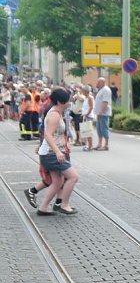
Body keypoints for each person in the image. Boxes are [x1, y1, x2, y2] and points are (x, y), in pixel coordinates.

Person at [36, 88, 79, 216]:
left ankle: (43, 207)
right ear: (60, 102)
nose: (69, 103)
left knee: (58, 182)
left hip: (50, 152)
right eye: (67, 101)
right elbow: (48, 134)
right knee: (73, 177)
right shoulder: (54, 115)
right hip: (52, 154)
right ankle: (64, 205)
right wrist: (58, 152)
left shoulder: (56, 112)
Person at [94, 77, 113, 151]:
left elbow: (105, 102)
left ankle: (106, 145)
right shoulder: (101, 90)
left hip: (103, 113)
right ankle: (99, 144)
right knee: (99, 129)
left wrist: (101, 111)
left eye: (98, 82)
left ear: (103, 82)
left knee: (104, 129)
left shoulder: (106, 90)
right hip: (99, 113)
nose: (97, 84)